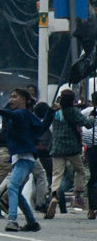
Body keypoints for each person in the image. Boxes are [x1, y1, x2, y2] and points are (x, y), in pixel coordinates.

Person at [0, 88, 53, 232]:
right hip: (24, 157)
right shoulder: (28, 115)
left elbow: (13, 115)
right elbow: (42, 126)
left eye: (15, 97)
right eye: (11, 97)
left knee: (12, 187)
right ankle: (31, 222)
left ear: (24, 100)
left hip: (23, 157)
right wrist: (50, 112)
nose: (11, 99)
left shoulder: (20, 114)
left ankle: (12, 220)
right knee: (16, 191)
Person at [45, 88, 92, 218]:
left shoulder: (55, 112)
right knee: (80, 170)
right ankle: (77, 194)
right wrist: (93, 116)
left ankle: (54, 195)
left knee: (57, 174)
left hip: (57, 147)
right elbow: (87, 124)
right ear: (72, 100)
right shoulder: (73, 112)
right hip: (72, 148)